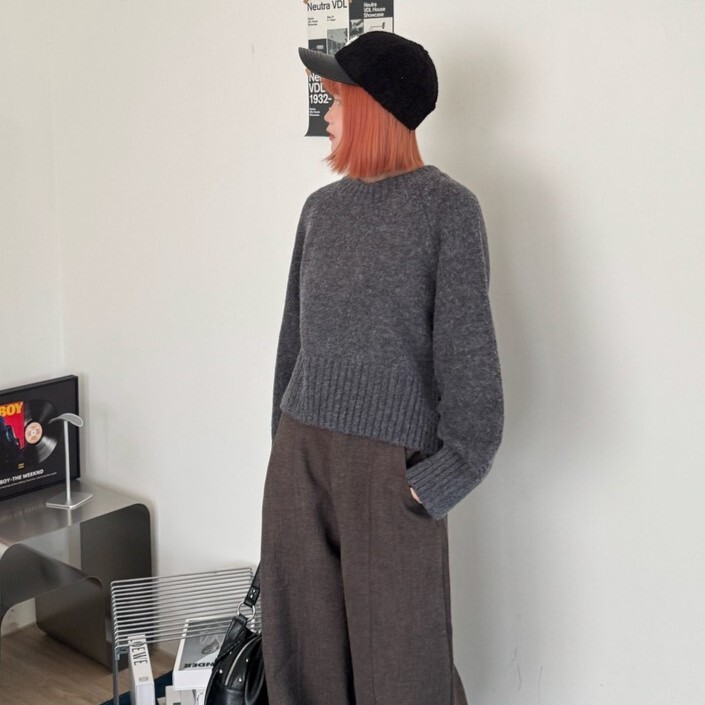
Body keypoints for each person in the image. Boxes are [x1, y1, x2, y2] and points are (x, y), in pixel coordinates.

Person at [260, 31, 503, 705]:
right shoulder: (321, 210)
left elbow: (470, 359)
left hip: (391, 471)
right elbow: (293, 342)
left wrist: (437, 479)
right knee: (303, 658)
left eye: (337, 98)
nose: (328, 113)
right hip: (301, 462)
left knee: (402, 667)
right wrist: (282, 452)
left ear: (372, 108)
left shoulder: (447, 209)